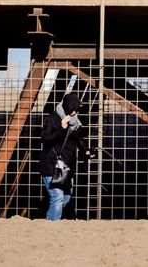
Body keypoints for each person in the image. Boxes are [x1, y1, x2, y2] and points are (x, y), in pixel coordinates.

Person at [39, 92, 94, 221]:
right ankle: (52, 225)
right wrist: (62, 128)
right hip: (51, 165)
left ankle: (50, 220)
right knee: (57, 196)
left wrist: (86, 151)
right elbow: (45, 139)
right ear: (66, 107)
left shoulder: (74, 122)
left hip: (66, 166)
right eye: (73, 109)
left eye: (77, 110)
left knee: (66, 196)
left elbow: (78, 138)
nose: (74, 112)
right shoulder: (53, 119)